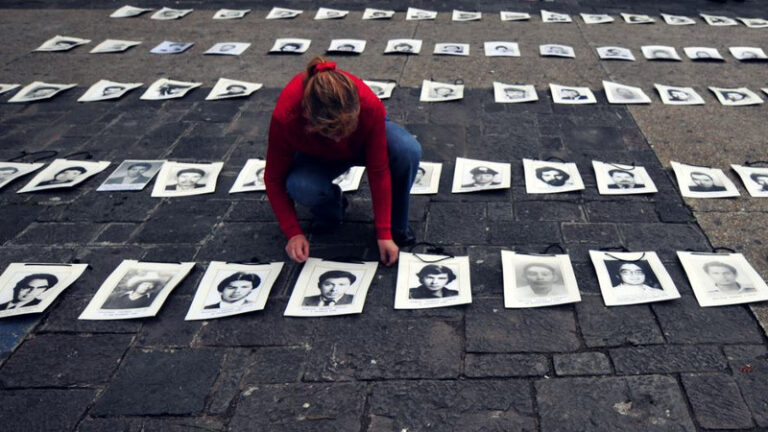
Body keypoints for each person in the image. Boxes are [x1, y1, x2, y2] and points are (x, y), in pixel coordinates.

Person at [265, 57, 421, 266]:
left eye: (345, 131)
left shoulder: (368, 104)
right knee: (300, 185)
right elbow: (274, 179)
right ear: (310, 121)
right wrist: (293, 232)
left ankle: (397, 224)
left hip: (362, 144)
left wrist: (383, 232)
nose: (339, 140)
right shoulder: (287, 116)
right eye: (331, 133)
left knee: (406, 149)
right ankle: (331, 209)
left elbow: (379, 170)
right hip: (317, 155)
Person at [101, 272, 166, 309]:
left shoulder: (149, 300)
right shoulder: (117, 295)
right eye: (144, 284)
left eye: (150, 286)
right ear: (137, 284)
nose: (146, 287)